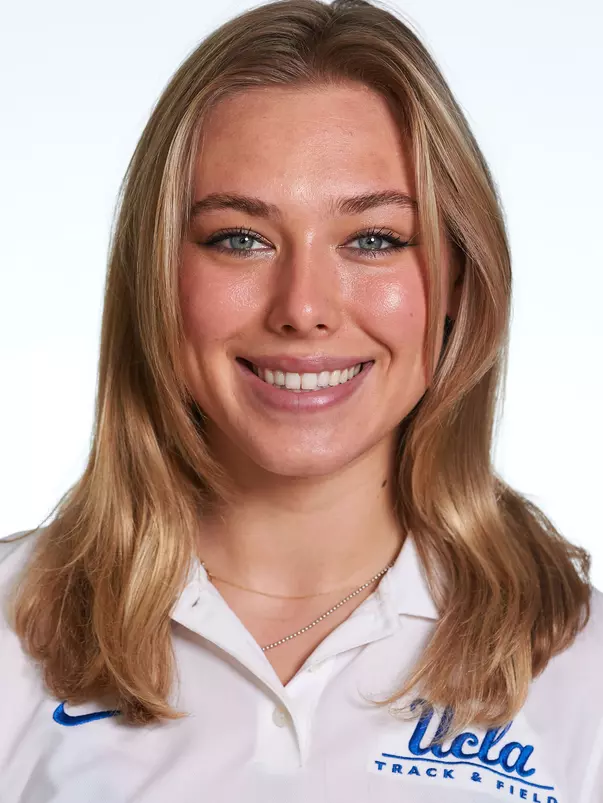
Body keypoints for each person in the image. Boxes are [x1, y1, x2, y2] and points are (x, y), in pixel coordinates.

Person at [1, 0, 601, 800]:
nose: (303, 307)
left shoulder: (582, 672)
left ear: (460, 278)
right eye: (239, 238)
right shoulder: (10, 630)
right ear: (157, 276)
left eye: (373, 239)